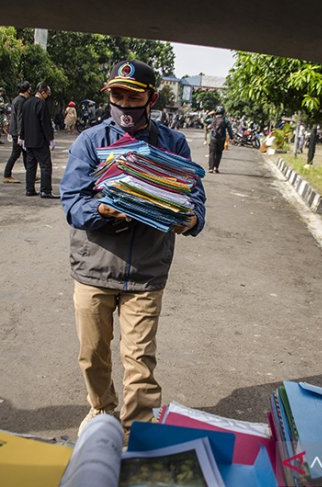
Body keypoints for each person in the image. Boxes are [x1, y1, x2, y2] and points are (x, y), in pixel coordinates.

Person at [59, 60, 207, 438]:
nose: (124, 104)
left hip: (146, 272)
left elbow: (194, 198)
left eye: (133, 96)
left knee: (140, 361)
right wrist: (103, 209)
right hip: (93, 269)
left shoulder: (173, 143)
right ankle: (102, 410)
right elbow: (72, 203)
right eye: (117, 95)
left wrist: (189, 219)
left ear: (151, 99)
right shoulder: (90, 142)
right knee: (93, 355)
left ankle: (138, 435)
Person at [19, 82, 57, 198]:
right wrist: (50, 139)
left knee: (31, 166)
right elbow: (45, 124)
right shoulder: (41, 104)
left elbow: (23, 122)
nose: (48, 95)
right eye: (47, 93)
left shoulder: (26, 103)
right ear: (43, 92)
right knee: (45, 165)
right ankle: (45, 190)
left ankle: (29, 189)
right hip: (40, 141)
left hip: (29, 140)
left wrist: (22, 137)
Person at [2, 81, 31, 184]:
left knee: (26, 153)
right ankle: (7, 174)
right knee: (15, 154)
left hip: (16, 130)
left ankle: (30, 173)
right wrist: (20, 134)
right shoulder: (21, 101)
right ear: (27, 90)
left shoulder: (16, 99)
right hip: (18, 132)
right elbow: (20, 118)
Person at [206, 105, 234, 173]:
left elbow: (205, 120)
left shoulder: (213, 118)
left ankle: (210, 168)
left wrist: (209, 114)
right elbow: (229, 129)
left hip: (213, 138)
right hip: (221, 139)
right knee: (219, 153)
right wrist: (231, 137)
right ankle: (216, 167)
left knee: (212, 153)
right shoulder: (225, 119)